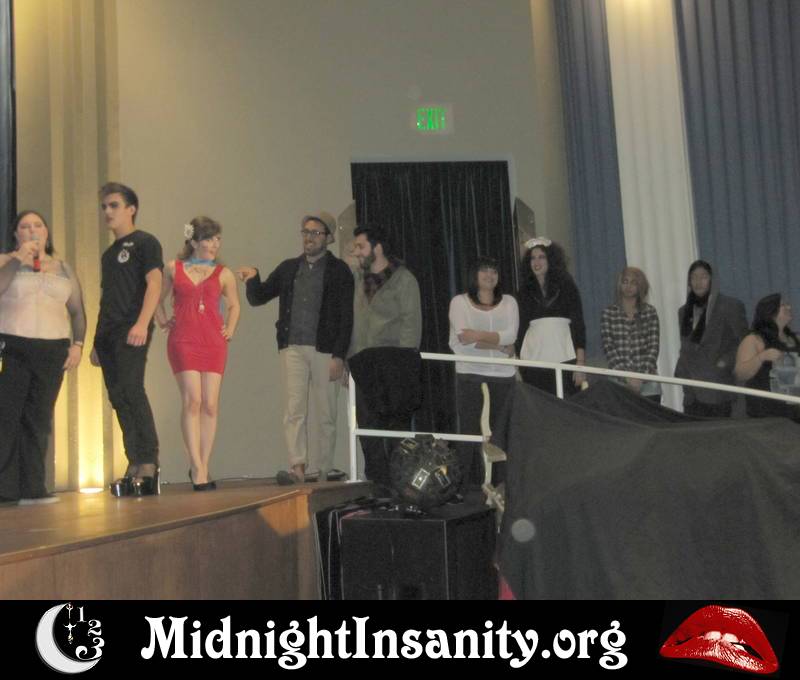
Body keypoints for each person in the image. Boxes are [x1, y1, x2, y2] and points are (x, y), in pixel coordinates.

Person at [237, 212, 353, 485]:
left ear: (328, 238)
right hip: (292, 349)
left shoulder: (339, 271)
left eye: (315, 233)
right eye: (305, 232)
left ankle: (324, 470)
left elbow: (346, 317)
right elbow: (259, 296)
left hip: (325, 350)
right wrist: (253, 277)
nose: (309, 237)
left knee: (326, 413)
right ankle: (297, 468)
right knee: (294, 410)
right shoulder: (289, 268)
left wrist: (339, 356)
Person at [0, 210, 86, 504]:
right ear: (16, 234)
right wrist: (18, 259)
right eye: (25, 226)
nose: (32, 230)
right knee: (7, 416)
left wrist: (78, 344)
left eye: (37, 225)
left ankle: (33, 487)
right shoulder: (6, 261)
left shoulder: (62, 268)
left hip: (52, 349)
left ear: (47, 232)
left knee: (38, 418)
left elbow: (77, 311)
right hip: (14, 346)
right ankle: (5, 488)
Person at [156, 217, 240, 490]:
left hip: (213, 341)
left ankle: (204, 462)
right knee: (193, 399)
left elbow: (234, 305)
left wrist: (230, 328)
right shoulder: (174, 267)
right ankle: (196, 465)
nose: (215, 244)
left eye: (217, 239)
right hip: (183, 340)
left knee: (210, 404)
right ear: (194, 241)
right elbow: (156, 298)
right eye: (209, 239)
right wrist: (162, 320)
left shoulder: (223, 273)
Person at [91, 182, 163, 496]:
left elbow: (155, 284)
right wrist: (96, 341)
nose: (108, 211)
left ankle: (148, 462)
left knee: (132, 390)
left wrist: (143, 323)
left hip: (131, 328)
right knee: (118, 397)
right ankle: (134, 460)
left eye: (114, 205)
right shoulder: (108, 255)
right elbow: (106, 298)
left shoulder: (145, 242)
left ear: (131, 209)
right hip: (107, 334)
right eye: (104, 206)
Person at [347, 225, 422, 489]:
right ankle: (376, 483)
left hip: (394, 361)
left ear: (377, 248)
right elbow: (352, 321)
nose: (357, 251)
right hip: (363, 362)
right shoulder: (358, 280)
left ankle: (399, 485)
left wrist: (405, 363)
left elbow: (411, 322)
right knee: (366, 425)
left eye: (361, 246)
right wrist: (349, 359)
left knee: (395, 427)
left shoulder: (403, 279)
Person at [448, 256, 518, 487]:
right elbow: (461, 340)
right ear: (474, 275)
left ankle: (502, 487)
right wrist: (499, 345)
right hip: (470, 373)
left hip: (504, 377)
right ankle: (462, 487)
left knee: (501, 433)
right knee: (468, 432)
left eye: (494, 271)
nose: (490, 275)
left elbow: (511, 336)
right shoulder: (459, 302)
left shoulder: (509, 302)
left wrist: (476, 335)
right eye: (484, 270)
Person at [674, 260, 747, 417]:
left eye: (703, 277)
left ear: (712, 279)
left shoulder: (730, 306)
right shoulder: (683, 311)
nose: (698, 282)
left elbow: (743, 343)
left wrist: (723, 363)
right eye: (694, 277)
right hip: (691, 390)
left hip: (718, 387)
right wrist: (681, 371)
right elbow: (686, 346)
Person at [515, 237, 586, 396]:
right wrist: (519, 363)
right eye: (532, 258)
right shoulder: (524, 291)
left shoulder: (567, 286)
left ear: (551, 260)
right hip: (533, 359)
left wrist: (580, 363)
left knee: (566, 403)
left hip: (565, 354)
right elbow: (521, 330)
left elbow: (578, 324)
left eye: (541, 257)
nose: (536, 262)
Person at [734, 293, 799, 421]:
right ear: (770, 311)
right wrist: (761, 357)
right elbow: (740, 373)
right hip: (766, 409)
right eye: (783, 305)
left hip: (794, 406)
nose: (789, 307)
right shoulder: (754, 339)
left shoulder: (795, 338)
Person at [600, 266, 661, 402]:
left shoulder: (650, 312)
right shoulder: (608, 313)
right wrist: (627, 377)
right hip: (618, 382)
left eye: (634, 283)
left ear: (641, 286)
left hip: (648, 383)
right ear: (619, 284)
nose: (628, 286)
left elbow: (653, 348)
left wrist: (640, 377)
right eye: (625, 281)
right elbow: (609, 348)